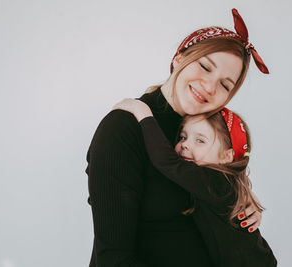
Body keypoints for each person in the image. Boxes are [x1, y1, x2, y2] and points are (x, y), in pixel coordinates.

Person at [86, 8, 270, 267]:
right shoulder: (124, 128)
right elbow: (114, 259)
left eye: (225, 85)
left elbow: (217, 187)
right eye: (205, 67)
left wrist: (242, 199)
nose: (209, 87)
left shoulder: (208, 137)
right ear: (179, 58)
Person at [113, 99, 278, 266]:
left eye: (200, 140)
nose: (185, 145)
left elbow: (168, 163)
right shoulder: (218, 185)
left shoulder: (217, 182)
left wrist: (142, 112)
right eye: (183, 136)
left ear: (226, 157)